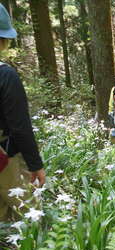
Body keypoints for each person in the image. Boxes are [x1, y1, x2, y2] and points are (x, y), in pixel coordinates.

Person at [0, 4, 46, 222]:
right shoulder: (5, 75)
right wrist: (36, 165)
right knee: (31, 214)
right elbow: (20, 127)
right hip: (4, 160)